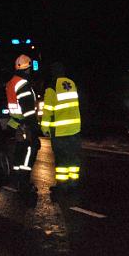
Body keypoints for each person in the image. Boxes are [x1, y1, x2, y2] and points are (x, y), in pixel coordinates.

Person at [40, 62, 82, 194]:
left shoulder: (52, 87)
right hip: (75, 128)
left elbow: (47, 110)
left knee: (62, 159)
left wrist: (44, 127)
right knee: (73, 157)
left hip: (60, 130)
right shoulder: (71, 83)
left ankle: (63, 186)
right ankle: (74, 183)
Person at [6, 54, 40, 193]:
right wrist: (34, 130)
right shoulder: (23, 84)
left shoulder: (12, 82)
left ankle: (17, 179)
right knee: (30, 150)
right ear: (28, 68)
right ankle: (24, 182)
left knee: (20, 152)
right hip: (25, 125)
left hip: (16, 124)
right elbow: (28, 111)